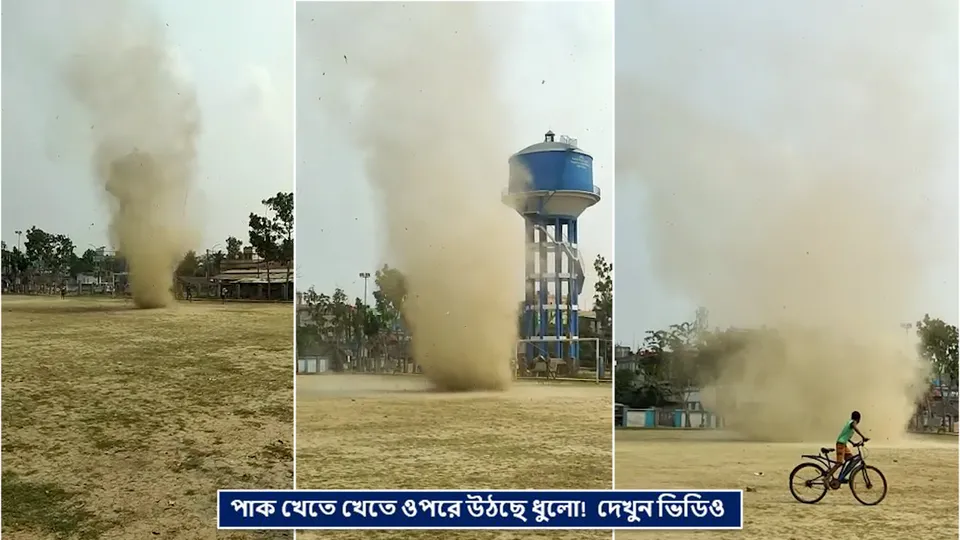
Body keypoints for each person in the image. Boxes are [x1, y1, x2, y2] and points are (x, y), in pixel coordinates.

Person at [825, 410, 869, 487]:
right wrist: (863, 437)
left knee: (851, 459)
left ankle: (842, 477)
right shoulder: (852, 422)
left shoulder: (849, 423)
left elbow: (845, 436)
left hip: (843, 444)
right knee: (839, 463)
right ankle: (826, 478)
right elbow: (854, 426)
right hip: (841, 444)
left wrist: (853, 443)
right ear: (858, 419)